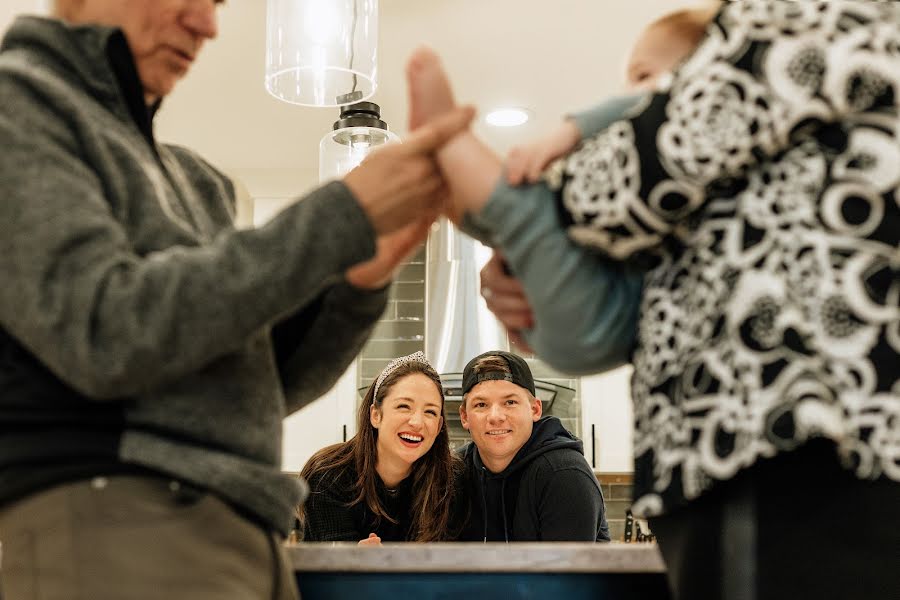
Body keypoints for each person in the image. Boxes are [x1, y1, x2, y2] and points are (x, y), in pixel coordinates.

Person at [407, 1, 900, 599]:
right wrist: (541, 276)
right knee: (568, 317)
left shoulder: (794, 28)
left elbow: (647, 162)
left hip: (780, 437)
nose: (639, 94)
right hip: (714, 424)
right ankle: (475, 191)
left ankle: (461, 163)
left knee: (531, 214)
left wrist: (553, 162)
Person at [0, 1, 472, 598]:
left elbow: (263, 384)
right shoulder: (18, 107)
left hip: (244, 536)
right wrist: (340, 214)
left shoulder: (196, 183)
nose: (208, 25)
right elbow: (105, 329)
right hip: (119, 519)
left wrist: (361, 282)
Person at [298, 352, 462, 544]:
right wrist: (355, 560)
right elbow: (333, 567)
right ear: (375, 415)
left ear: (439, 425)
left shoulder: (451, 480)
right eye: (403, 406)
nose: (417, 422)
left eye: (430, 412)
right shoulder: (328, 475)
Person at [456, 350, 609, 542]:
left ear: (535, 409)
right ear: (464, 416)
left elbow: (563, 571)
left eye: (510, 402)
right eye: (481, 405)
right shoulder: (455, 472)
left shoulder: (563, 473)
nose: (495, 417)